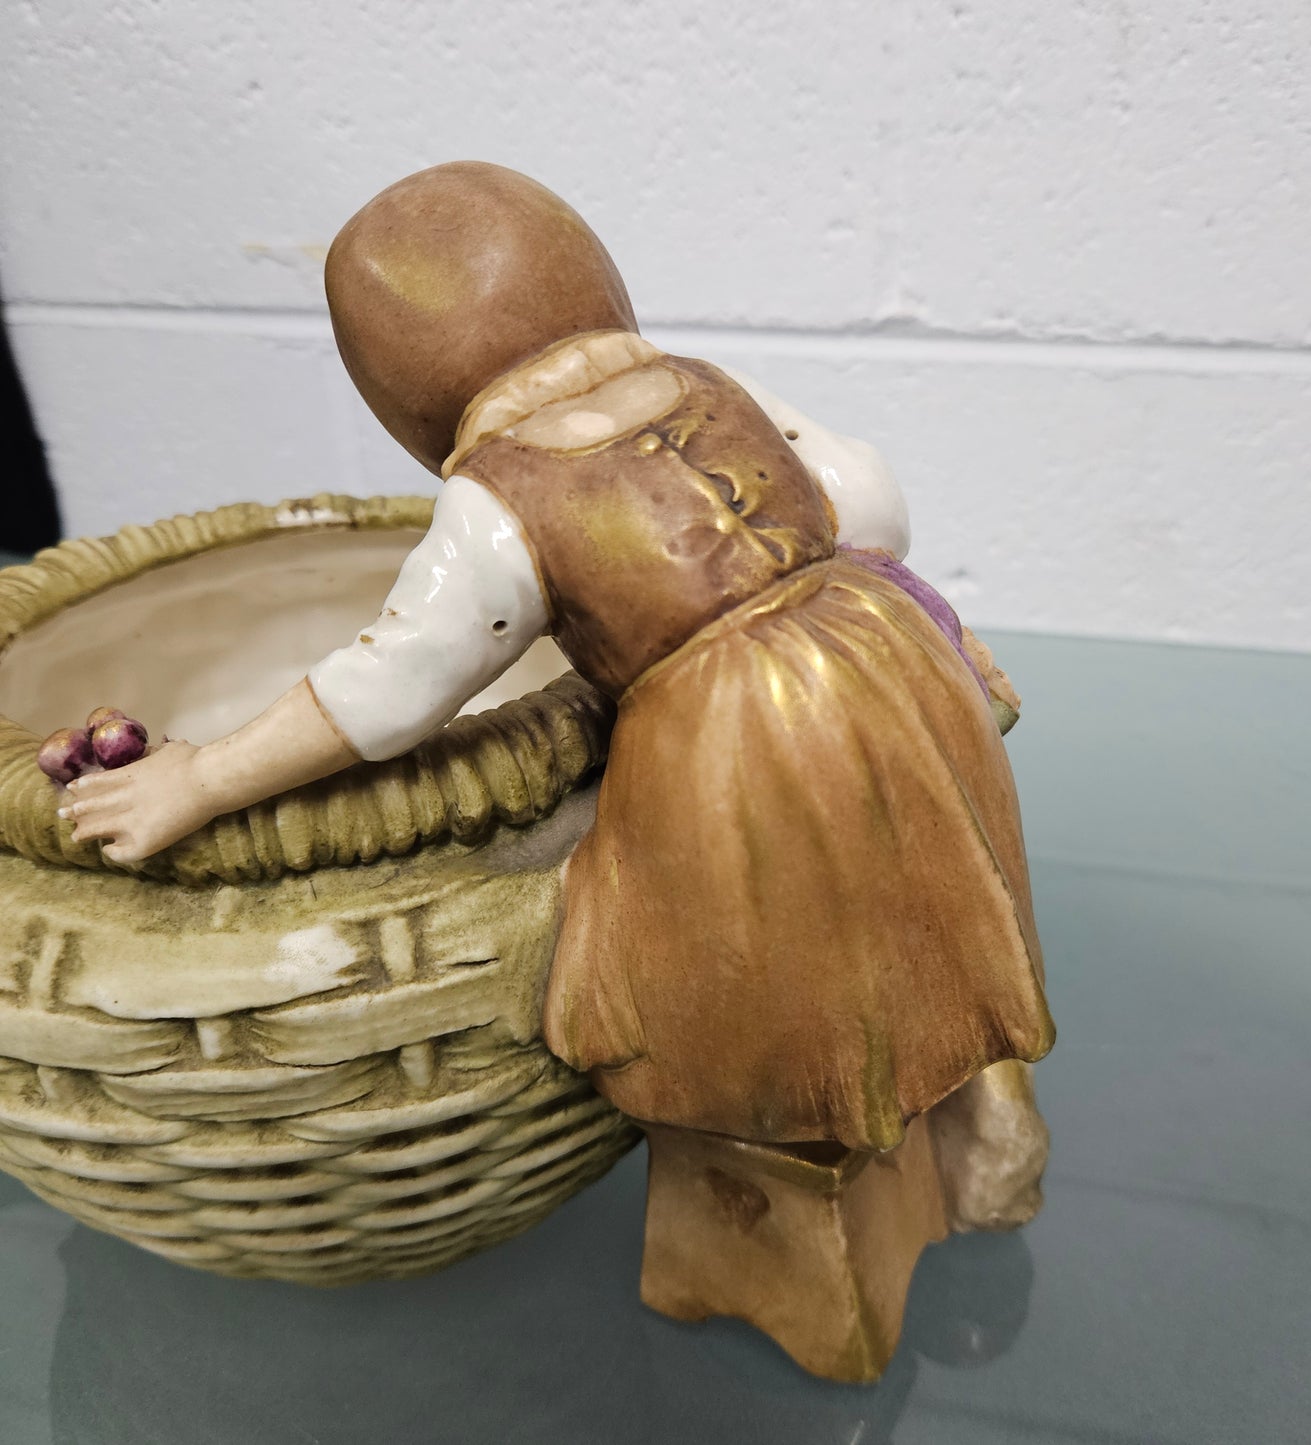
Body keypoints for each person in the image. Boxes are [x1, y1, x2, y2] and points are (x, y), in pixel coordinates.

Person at [61, 164, 1053, 1332]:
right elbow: (865, 499)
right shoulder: (705, 381)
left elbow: (395, 681)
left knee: (734, 975)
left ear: (398, 390)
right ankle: (978, 1101)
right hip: (882, 662)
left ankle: (801, 1196)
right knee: (923, 896)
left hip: (735, 731)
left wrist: (202, 773)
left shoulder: (501, 495)